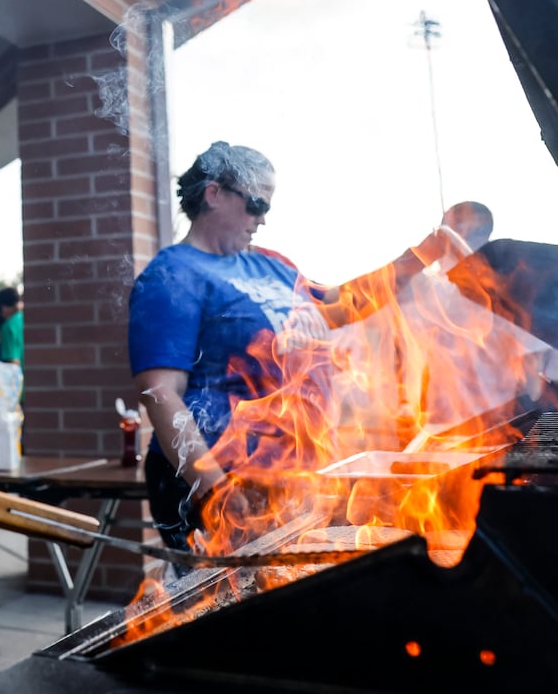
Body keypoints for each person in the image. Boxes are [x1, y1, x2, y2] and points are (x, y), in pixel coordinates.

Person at [128, 141, 491, 550]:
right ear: (214, 194)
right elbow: (160, 393)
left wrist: (424, 255)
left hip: (286, 476)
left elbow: (340, 306)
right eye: (255, 204)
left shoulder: (271, 263)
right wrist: (213, 489)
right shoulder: (172, 275)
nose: (263, 218)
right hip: (219, 480)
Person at [0, 286, 23, 372]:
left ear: (3, 307)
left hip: (20, 382)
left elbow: (13, 363)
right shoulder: (25, 319)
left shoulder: (8, 327)